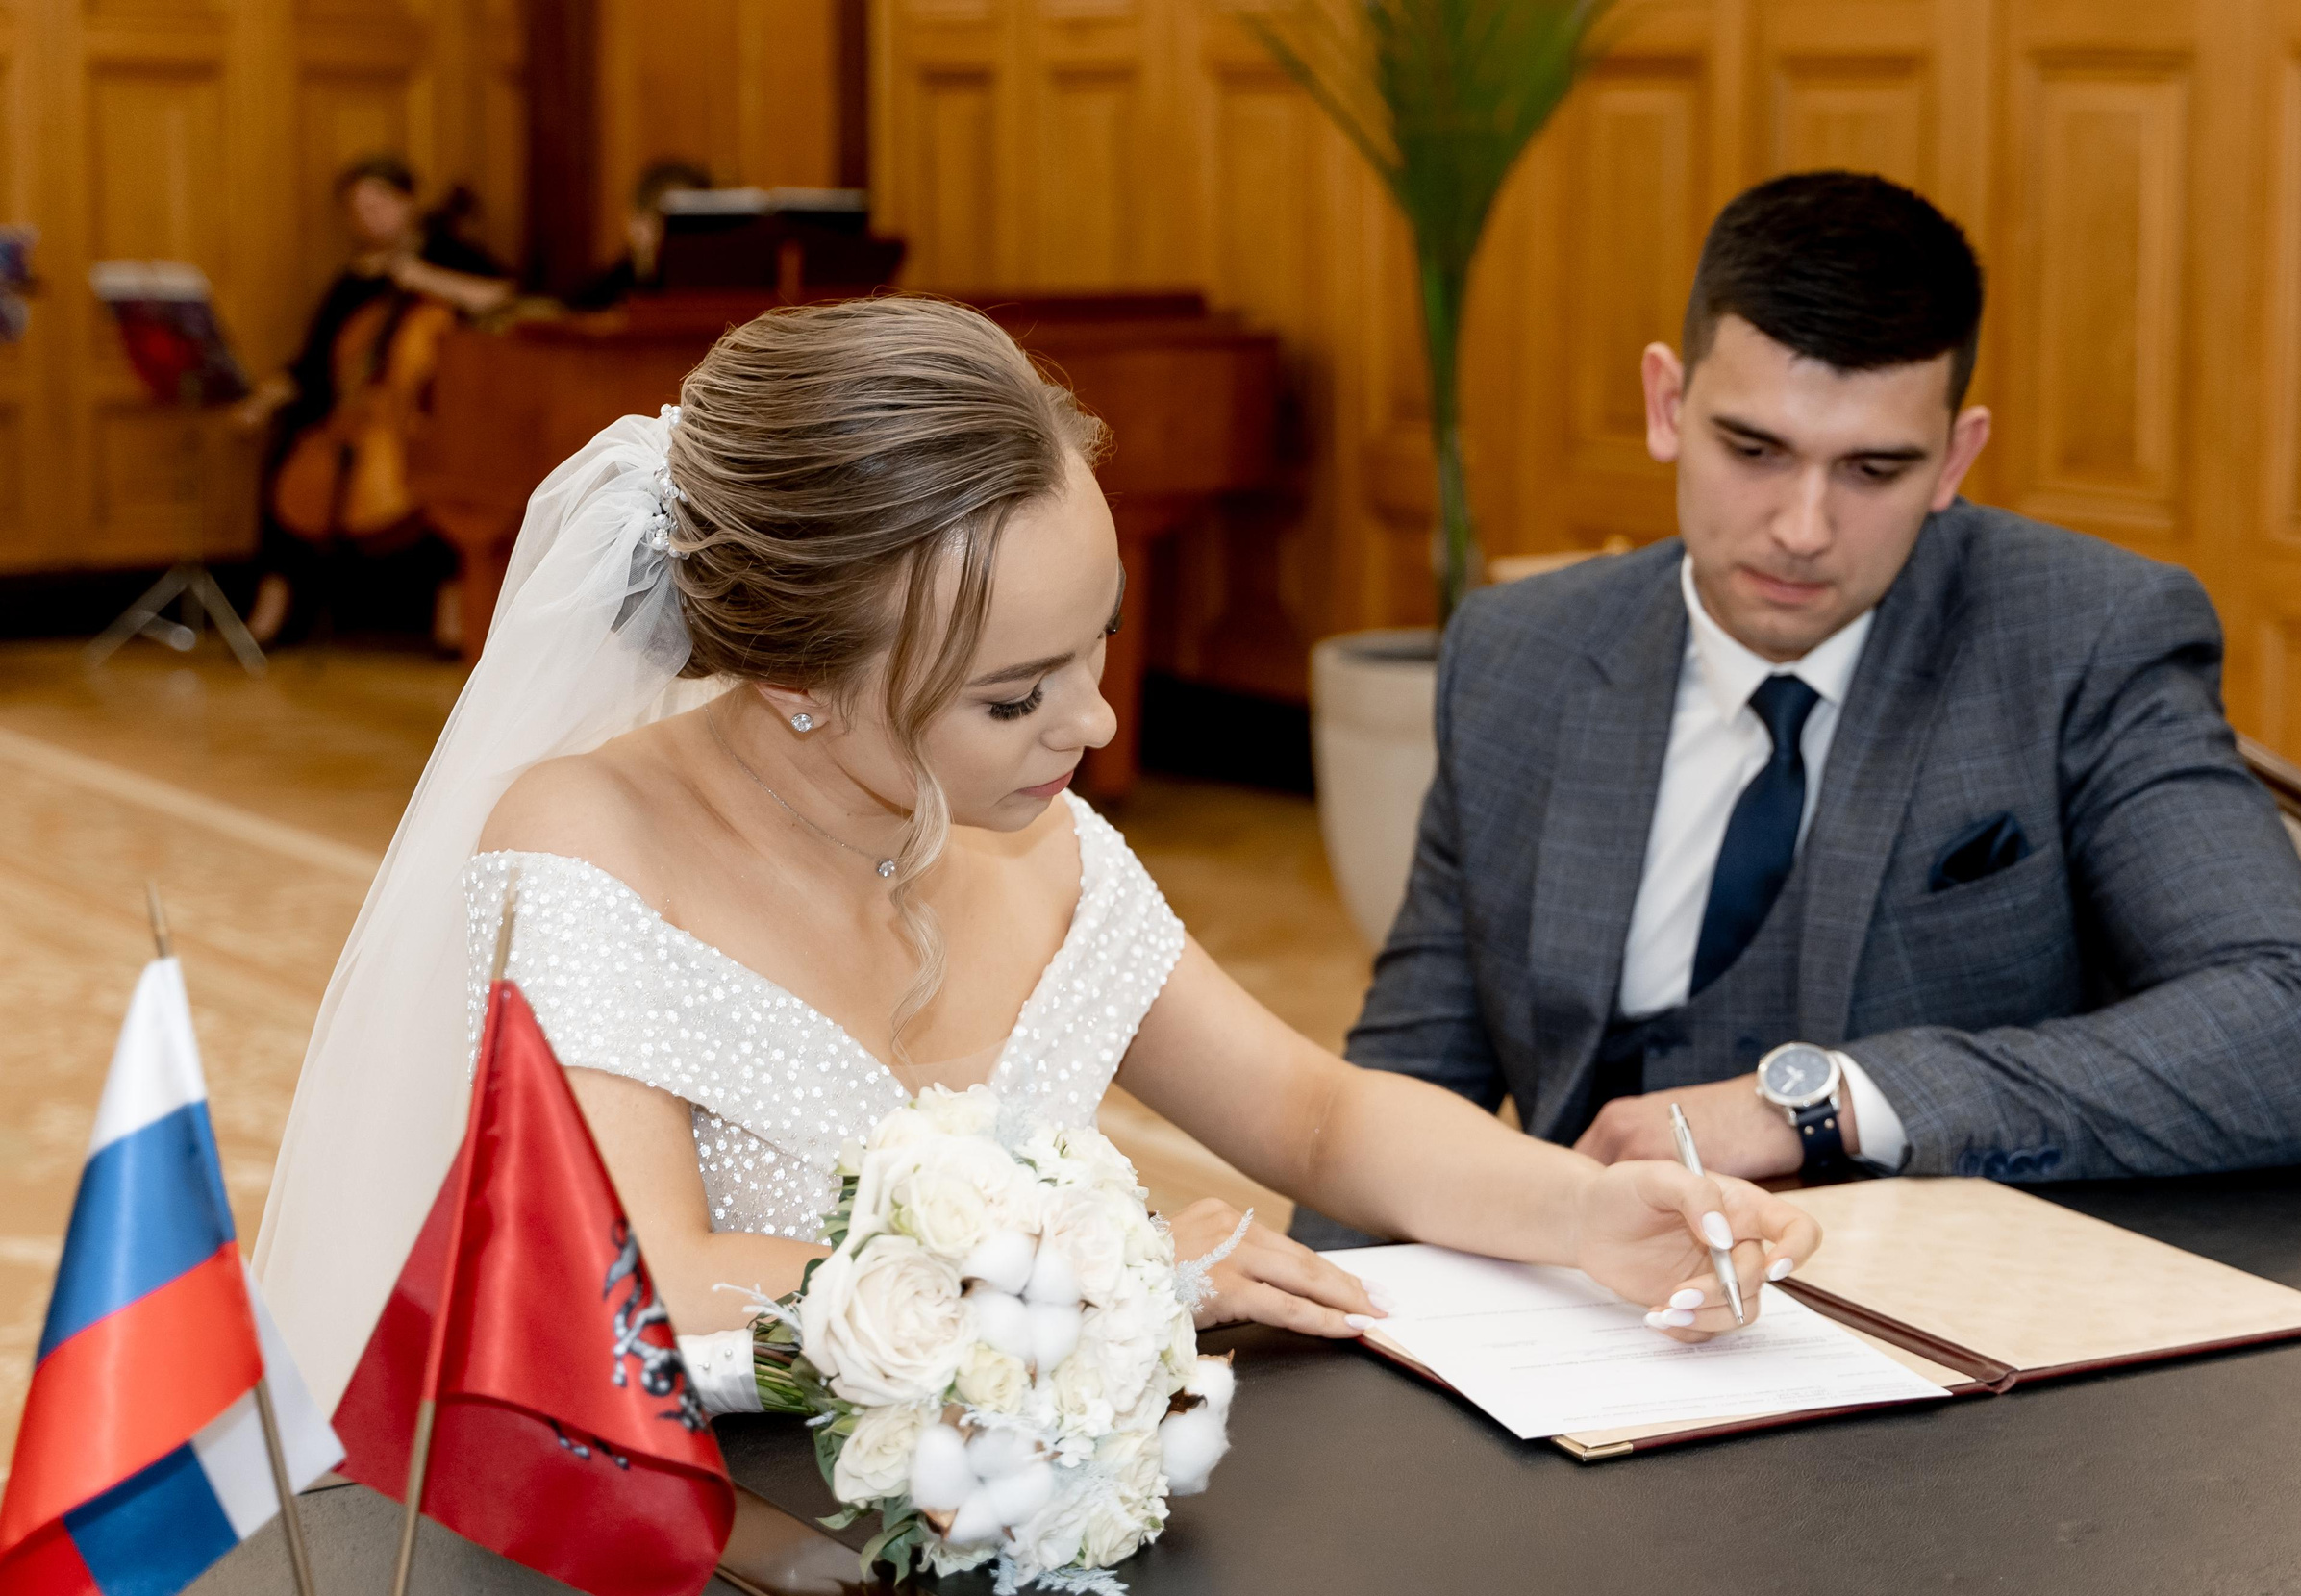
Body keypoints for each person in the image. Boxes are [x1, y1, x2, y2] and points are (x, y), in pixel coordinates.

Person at [251, 297, 1823, 1412]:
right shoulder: (587, 842)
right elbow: (649, 1280)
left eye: (1100, 647)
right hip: (699, 1546)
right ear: (798, 675)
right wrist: (1103, 1272)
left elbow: (1314, 1111)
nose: (1092, 721)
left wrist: (1576, 1213)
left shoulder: (1037, 842)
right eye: (1013, 694)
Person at [1292, 172, 2301, 1250]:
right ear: (1667, 406)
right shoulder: (1515, 655)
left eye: (1872, 468)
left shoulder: (2085, 639)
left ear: (1954, 458)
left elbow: (2292, 1038)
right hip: (1595, 1317)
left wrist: (1818, 1102)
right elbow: (1402, 1092)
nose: (1802, 527)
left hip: (1949, 1339)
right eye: (1753, 451)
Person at [235, 156, 513, 649]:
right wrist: (261, 400)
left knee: (449, 469)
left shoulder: (447, 254)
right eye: (357, 207)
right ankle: (273, 604)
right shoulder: (351, 281)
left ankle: (451, 613)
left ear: (408, 203)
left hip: (435, 413)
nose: (368, 215)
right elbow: (312, 366)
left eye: (379, 201)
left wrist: (421, 277)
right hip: (357, 412)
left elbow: (504, 300)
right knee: (287, 447)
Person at [568, 158, 713, 311]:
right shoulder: (593, 302)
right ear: (635, 222)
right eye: (669, 222)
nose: (683, 237)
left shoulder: (718, 297)